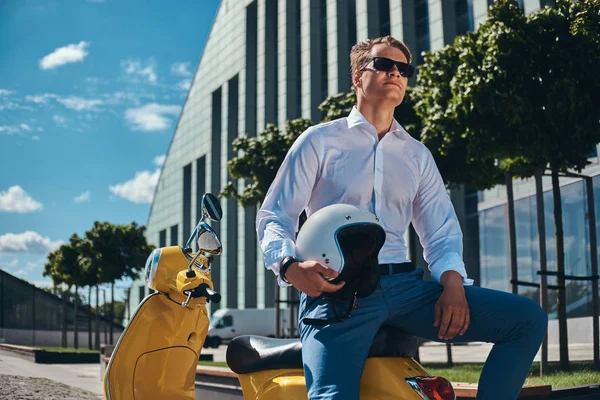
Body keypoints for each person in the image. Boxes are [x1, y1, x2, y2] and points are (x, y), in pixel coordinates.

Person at [256, 35, 547, 400]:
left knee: (526, 319)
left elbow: (440, 231)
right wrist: (289, 267)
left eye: (404, 69)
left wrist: (454, 284)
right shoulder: (319, 141)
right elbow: (274, 214)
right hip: (338, 290)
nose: (395, 72)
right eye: (384, 64)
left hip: (405, 288)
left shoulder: (417, 155)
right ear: (358, 77)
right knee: (331, 396)